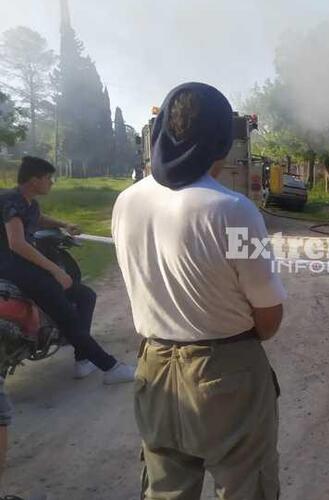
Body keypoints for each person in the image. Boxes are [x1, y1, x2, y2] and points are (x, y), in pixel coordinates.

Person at [112, 82, 286, 500]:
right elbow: (269, 316)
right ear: (220, 144)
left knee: (165, 488)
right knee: (246, 483)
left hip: (154, 368)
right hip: (226, 370)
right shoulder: (232, 209)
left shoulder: (126, 202)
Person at [0, 157, 135, 384]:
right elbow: (17, 244)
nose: (51, 183)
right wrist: (55, 270)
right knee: (67, 316)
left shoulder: (28, 203)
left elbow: (37, 219)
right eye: (48, 178)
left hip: (23, 265)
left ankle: (83, 359)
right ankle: (110, 368)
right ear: (34, 180)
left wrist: (63, 224)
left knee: (85, 296)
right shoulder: (10, 201)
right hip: (13, 267)